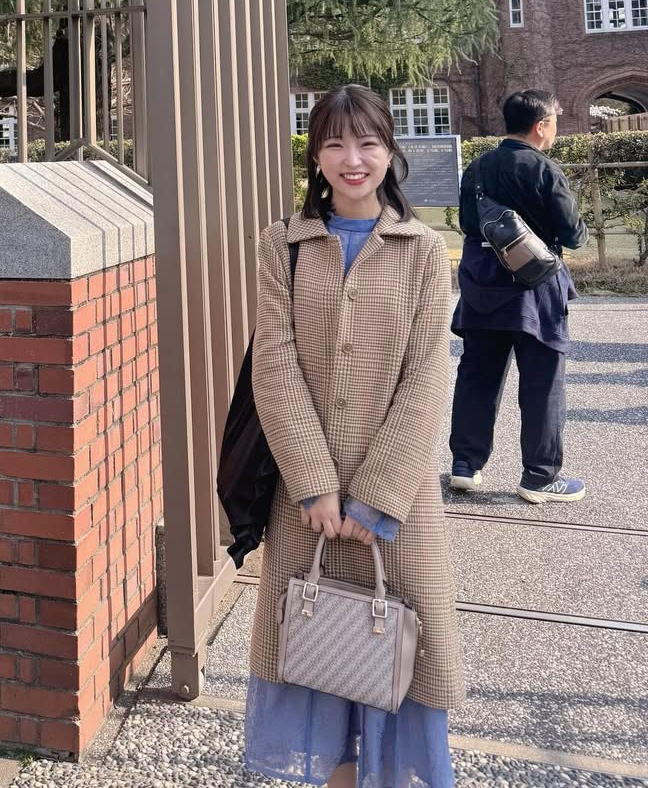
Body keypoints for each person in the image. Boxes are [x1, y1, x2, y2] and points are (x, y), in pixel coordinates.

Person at [246, 85, 462, 788]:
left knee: (400, 661)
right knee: (317, 660)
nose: (352, 159)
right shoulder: (283, 246)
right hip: (304, 501)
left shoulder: (422, 250)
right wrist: (314, 485)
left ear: (389, 151)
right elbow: (274, 365)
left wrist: (375, 497)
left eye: (367, 142)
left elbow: (427, 376)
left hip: (396, 506)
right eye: (334, 143)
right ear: (315, 156)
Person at [449, 88, 589, 504]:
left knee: (477, 375)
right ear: (541, 126)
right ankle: (539, 476)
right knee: (542, 381)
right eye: (554, 123)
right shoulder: (544, 169)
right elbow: (573, 235)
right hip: (534, 288)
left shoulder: (478, 167)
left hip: (481, 284)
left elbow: (468, 222)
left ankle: (465, 465)